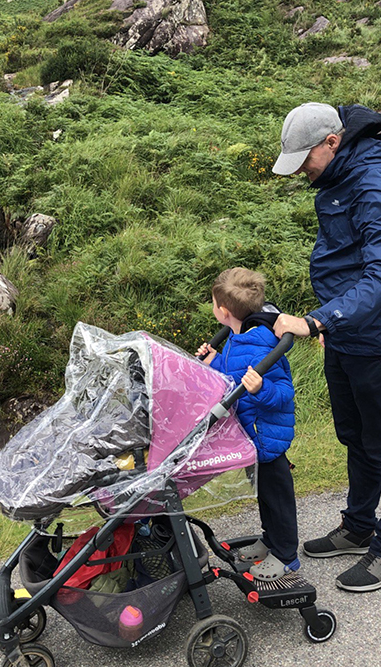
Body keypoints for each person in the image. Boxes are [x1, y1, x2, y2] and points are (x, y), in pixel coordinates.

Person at [272, 102, 381, 592]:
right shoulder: (336, 179)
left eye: (304, 160)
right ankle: (359, 526)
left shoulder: (371, 183)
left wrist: (317, 320)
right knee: (355, 437)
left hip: (372, 338)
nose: (301, 172)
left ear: (332, 142)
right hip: (347, 335)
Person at [197, 267, 299, 580]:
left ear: (223, 311)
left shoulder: (257, 345)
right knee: (265, 495)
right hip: (252, 436)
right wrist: (213, 361)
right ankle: (270, 541)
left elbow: (284, 393)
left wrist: (261, 388)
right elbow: (232, 374)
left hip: (266, 437)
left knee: (277, 499)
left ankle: (286, 555)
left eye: (213, 303)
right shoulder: (239, 337)